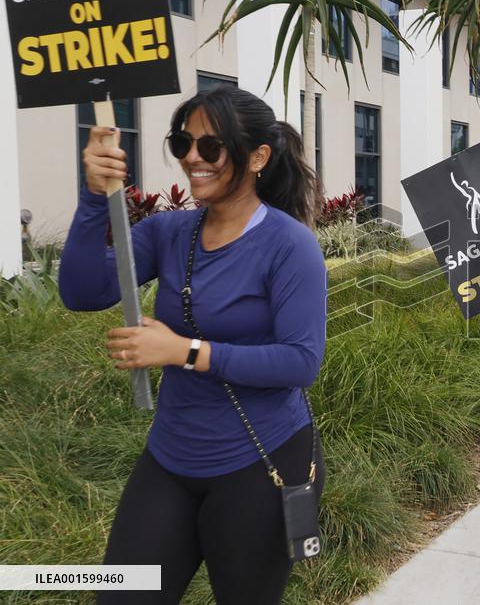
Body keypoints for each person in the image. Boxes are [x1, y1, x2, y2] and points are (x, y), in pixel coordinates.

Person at [59, 86, 327, 604]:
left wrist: (183, 351)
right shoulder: (170, 232)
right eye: (183, 143)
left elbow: (300, 361)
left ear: (258, 157)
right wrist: (94, 196)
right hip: (171, 458)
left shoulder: (290, 245)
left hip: (260, 460)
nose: (192, 158)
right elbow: (83, 292)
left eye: (211, 146)